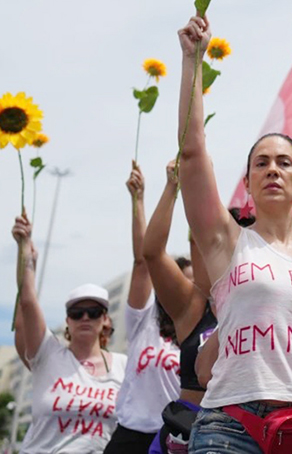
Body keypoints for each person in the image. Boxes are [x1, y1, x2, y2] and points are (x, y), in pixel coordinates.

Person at [175, 14, 292, 453]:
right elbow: (191, 153)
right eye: (261, 163)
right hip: (229, 428)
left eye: (284, 162)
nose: (272, 169)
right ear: (248, 180)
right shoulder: (229, 243)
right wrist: (192, 62)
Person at [12, 215, 127, 452]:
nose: (85, 317)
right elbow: (27, 301)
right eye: (77, 312)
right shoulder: (48, 354)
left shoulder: (124, 366)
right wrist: (25, 252)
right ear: (67, 320)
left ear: (105, 319)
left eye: (93, 312)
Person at [142, 159, 219, 454]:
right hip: (183, 437)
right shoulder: (195, 309)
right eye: (200, 245)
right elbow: (152, 253)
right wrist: (175, 186)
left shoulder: (257, 305)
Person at [106, 163, 184, 454]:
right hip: (131, 437)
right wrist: (139, 199)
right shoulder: (145, 320)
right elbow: (143, 261)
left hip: (175, 439)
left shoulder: (198, 331)